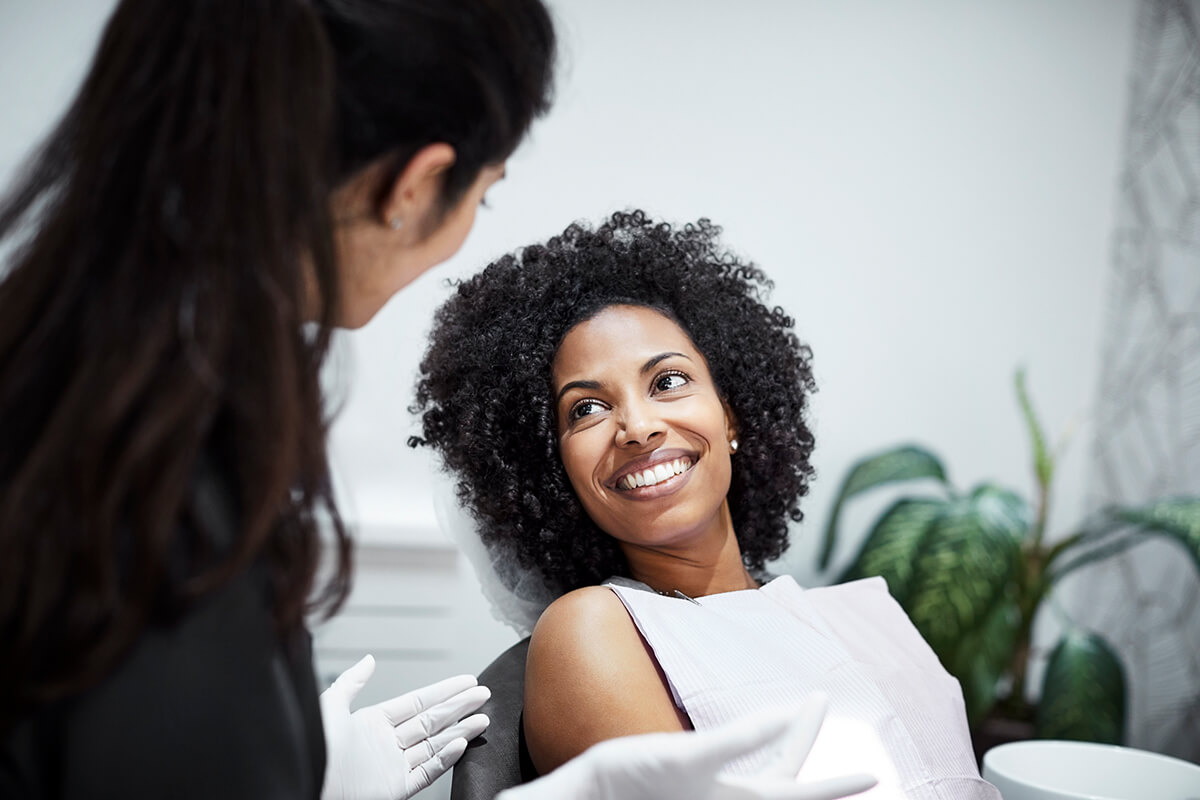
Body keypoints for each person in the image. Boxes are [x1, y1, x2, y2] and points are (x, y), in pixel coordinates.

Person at [0, 3, 869, 799]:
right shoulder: (158, 471)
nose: (639, 425)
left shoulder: (81, 384)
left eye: (670, 380)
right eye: (484, 193)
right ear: (416, 184)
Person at [411, 210, 1002, 799]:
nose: (637, 427)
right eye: (586, 409)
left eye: (667, 381)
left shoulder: (871, 613)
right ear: (553, 472)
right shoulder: (595, 630)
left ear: (731, 414)